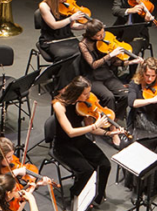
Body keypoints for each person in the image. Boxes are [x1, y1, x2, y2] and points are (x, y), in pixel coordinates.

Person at [52, 76, 124, 206]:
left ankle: (96, 197)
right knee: (86, 171)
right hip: (63, 144)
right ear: (76, 93)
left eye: (89, 92)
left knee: (105, 164)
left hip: (79, 140)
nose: (88, 96)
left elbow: (92, 130)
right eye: (85, 94)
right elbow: (70, 132)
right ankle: (77, 194)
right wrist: (95, 125)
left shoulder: (84, 104)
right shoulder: (59, 105)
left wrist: (108, 132)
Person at [125, 57, 157, 196]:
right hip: (139, 120)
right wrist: (152, 100)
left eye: (153, 76)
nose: (149, 79)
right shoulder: (135, 84)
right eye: (147, 75)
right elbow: (132, 103)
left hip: (156, 120)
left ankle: (156, 183)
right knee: (147, 143)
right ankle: (141, 184)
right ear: (142, 73)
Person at [77, 19, 140, 119]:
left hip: (106, 74)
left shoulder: (104, 41)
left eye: (103, 33)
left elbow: (113, 63)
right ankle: (110, 125)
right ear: (90, 35)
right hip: (92, 78)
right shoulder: (83, 44)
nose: (102, 37)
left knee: (125, 95)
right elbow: (93, 65)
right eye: (98, 35)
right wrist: (110, 55)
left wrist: (131, 62)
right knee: (109, 97)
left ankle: (115, 118)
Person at [38, 0, 86, 90]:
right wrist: (71, 18)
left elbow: (72, 25)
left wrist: (85, 26)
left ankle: (77, 84)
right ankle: (62, 86)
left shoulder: (66, 4)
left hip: (67, 36)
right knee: (66, 55)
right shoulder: (44, 6)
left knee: (83, 50)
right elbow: (54, 25)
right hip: (51, 40)